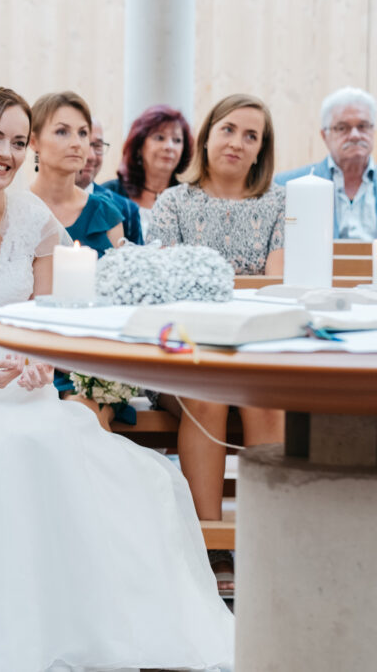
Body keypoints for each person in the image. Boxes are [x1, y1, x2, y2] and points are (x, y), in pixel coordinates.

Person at [0, 85, 233, 671]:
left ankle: (77, 625)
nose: (6, 153)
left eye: (17, 142)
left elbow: (46, 321)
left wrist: (43, 361)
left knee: (114, 466)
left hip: (20, 390)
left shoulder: (34, 219)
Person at [148, 93, 286, 596]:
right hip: (186, 354)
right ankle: (213, 547)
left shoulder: (278, 203)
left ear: (261, 151)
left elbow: (278, 290)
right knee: (206, 393)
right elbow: (164, 288)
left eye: (252, 136)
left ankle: (272, 539)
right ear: (206, 136)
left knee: (262, 393)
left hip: (254, 353)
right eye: (229, 129)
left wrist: (210, 285)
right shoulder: (174, 203)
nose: (237, 142)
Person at [29, 91, 129, 428]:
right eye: (62, 131)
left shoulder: (105, 213)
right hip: (28, 358)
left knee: (79, 418)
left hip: (93, 365)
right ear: (33, 142)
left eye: (83, 133)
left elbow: (121, 295)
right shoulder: (14, 210)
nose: (76, 142)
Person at [275, 86, 376, 239]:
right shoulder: (285, 186)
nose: (355, 135)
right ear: (324, 136)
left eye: (363, 126)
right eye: (343, 128)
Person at [101, 104, 192, 238]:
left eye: (177, 140)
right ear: (139, 146)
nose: (169, 147)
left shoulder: (190, 198)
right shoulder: (110, 194)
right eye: (160, 138)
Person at [75, 117, 143, 244]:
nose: (91, 156)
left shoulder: (126, 210)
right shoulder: (36, 203)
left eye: (97, 146)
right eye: (84, 143)